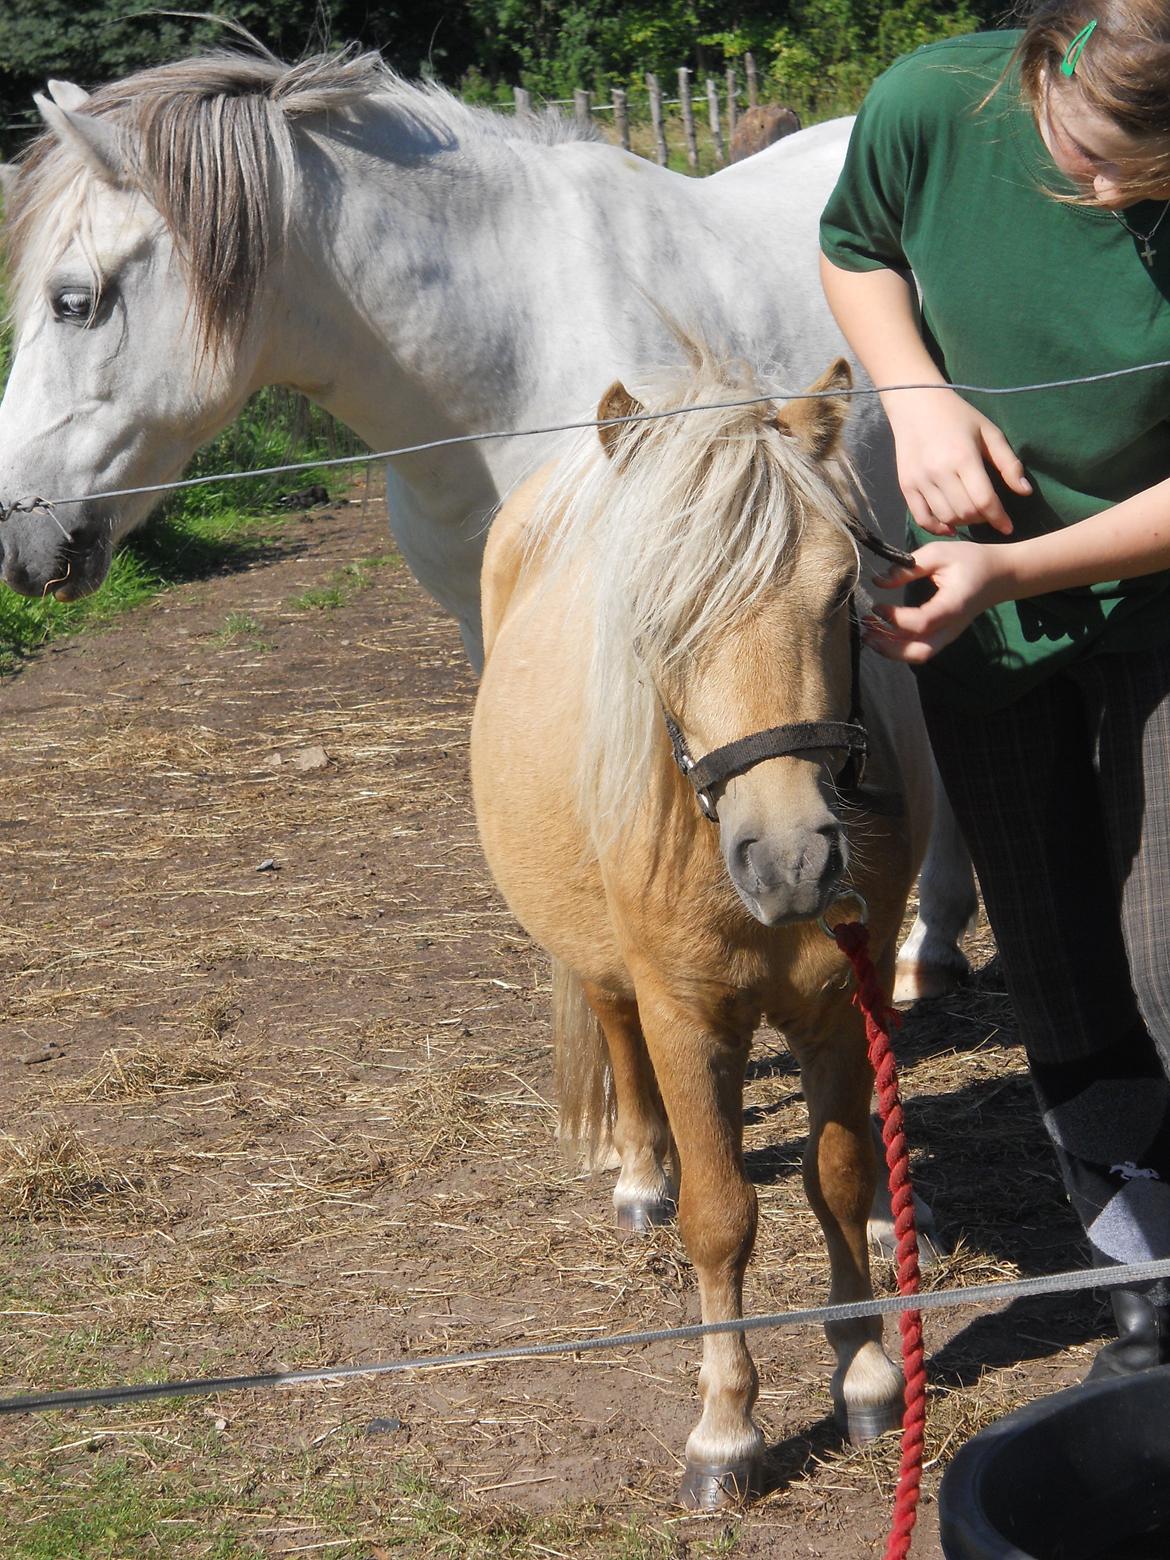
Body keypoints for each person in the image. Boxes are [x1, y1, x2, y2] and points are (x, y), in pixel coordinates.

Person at [819, 0, 1170, 1379]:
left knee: (1164, 953)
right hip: (969, 610)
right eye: (1088, 155)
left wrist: (1012, 574)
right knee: (1046, 942)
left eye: (1146, 177)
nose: (1102, 193)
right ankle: (1138, 1268)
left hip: (1144, 595)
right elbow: (855, 249)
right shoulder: (928, 104)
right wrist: (910, 394)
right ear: (1041, 67)